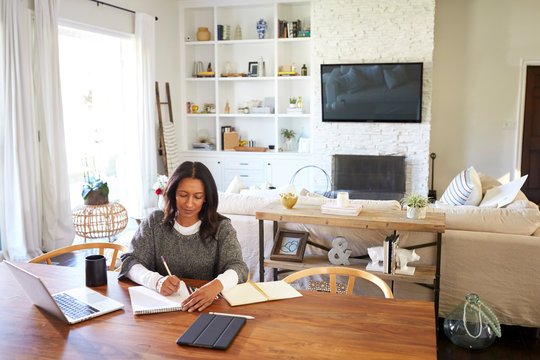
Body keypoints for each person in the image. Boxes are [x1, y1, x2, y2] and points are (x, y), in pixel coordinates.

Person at [119, 161, 249, 312]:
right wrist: (156, 281)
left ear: (206, 198)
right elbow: (129, 262)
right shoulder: (154, 222)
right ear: (173, 193)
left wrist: (217, 285)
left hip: (206, 310)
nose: (189, 204)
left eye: (197, 197)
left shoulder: (222, 227)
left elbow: (238, 268)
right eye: (183, 195)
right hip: (162, 313)